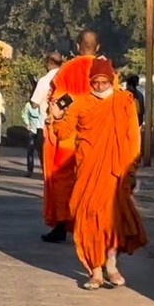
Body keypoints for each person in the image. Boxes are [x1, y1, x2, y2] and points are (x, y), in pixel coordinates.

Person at [51, 57, 148, 290]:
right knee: (89, 220)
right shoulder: (81, 104)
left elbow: (132, 138)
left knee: (112, 221)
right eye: (96, 81)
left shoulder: (124, 102)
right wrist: (56, 115)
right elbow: (64, 133)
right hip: (88, 170)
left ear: (112, 80)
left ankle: (111, 266)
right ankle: (95, 270)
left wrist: (131, 168)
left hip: (116, 172)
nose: (101, 86)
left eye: (105, 81)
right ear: (90, 81)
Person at [42, 31, 101, 243]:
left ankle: (61, 225)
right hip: (96, 137)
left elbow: (56, 102)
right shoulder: (105, 71)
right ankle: (89, 227)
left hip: (68, 136)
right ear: (98, 47)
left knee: (62, 180)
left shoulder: (66, 70)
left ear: (78, 47)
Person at [21, 85, 44, 178]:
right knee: (30, 149)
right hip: (32, 129)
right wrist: (27, 123)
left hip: (41, 128)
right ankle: (29, 170)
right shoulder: (28, 105)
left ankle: (44, 170)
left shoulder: (42, 105)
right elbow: (24, 114)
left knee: (41, 151)